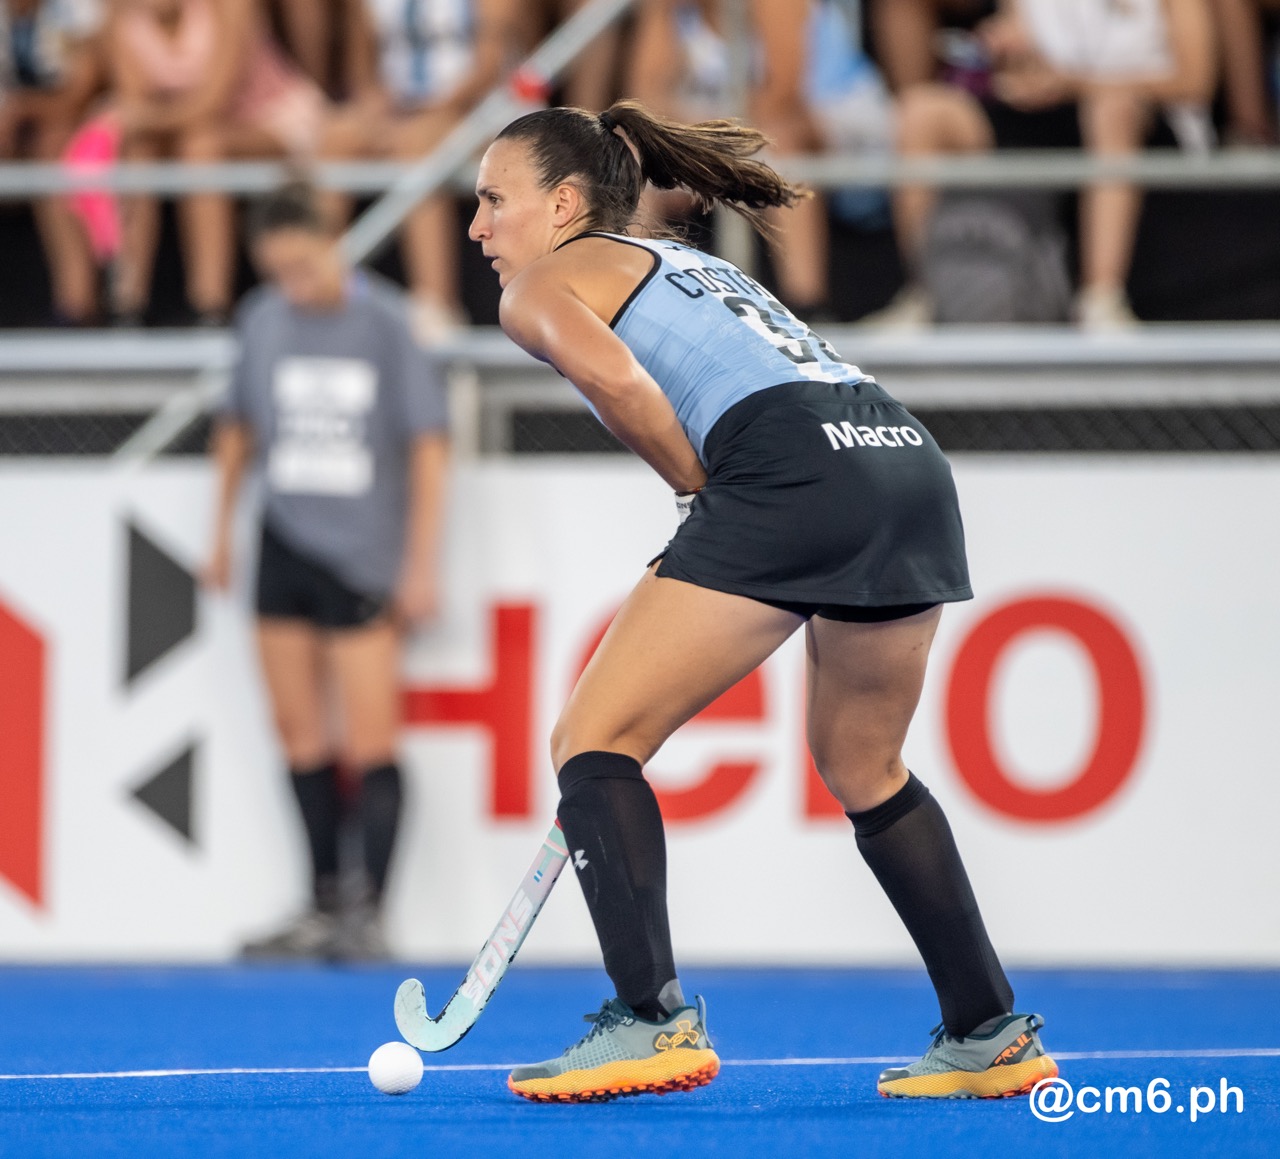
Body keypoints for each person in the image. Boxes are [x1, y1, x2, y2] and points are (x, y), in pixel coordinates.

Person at [467, 99, 1058, 1103]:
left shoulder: (541, 282)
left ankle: (647, 1021)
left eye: (491, 199)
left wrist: (700, 497)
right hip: (901, 456)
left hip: (787, 466)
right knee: (861, 762)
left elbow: (619, 385)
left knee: (593, 737)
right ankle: (986, 1028)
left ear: (563, 202)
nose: (477, 228)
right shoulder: (688, 263)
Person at [204, 181, 450, 960]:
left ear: (332, 239)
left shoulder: (386, 325)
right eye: (279, 271)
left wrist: (419, 564)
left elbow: (428, 447)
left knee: (370, 736)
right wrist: (221, 530)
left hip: (363, 554)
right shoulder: (263, 320)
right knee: (297, 730)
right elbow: (239, 427)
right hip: (283, 540)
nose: (294, 284)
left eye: (304, 265)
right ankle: (319, 900)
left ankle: (369, 909)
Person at [875, 0, 1216, 329]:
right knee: (919, 111)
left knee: (1112, 110)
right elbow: (1018, 50)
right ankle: (927, 295)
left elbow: (1193, 81)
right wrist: (1011, 56)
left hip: (1145, 115)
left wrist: (1076, 83)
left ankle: (1101, 301)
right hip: (1049, 109)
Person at [105, 0, 327, 325]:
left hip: (271, 119)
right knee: (141, 150)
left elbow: (213, 99)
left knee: (201, 149)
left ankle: (210, 303)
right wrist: (141, 120)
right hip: (189, 132)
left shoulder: (232, 6)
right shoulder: (120, 17)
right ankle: (127, 302)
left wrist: (145, 118)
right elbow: (134, 106)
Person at [322, 0, 522, 341]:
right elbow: (364, 70)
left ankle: (436, 308)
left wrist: (424, 111)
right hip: (403, 111)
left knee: (418, 146)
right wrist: (379, 109)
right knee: (336, 137)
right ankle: (323, 289)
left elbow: (488, 69)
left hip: (481, 110)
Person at [0, 0, 105, 324]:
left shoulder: (79, 9)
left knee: (53, 150)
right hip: (15, 131)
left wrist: (23, 109)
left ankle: (76, 300)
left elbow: (79, 95)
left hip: (78, 126)